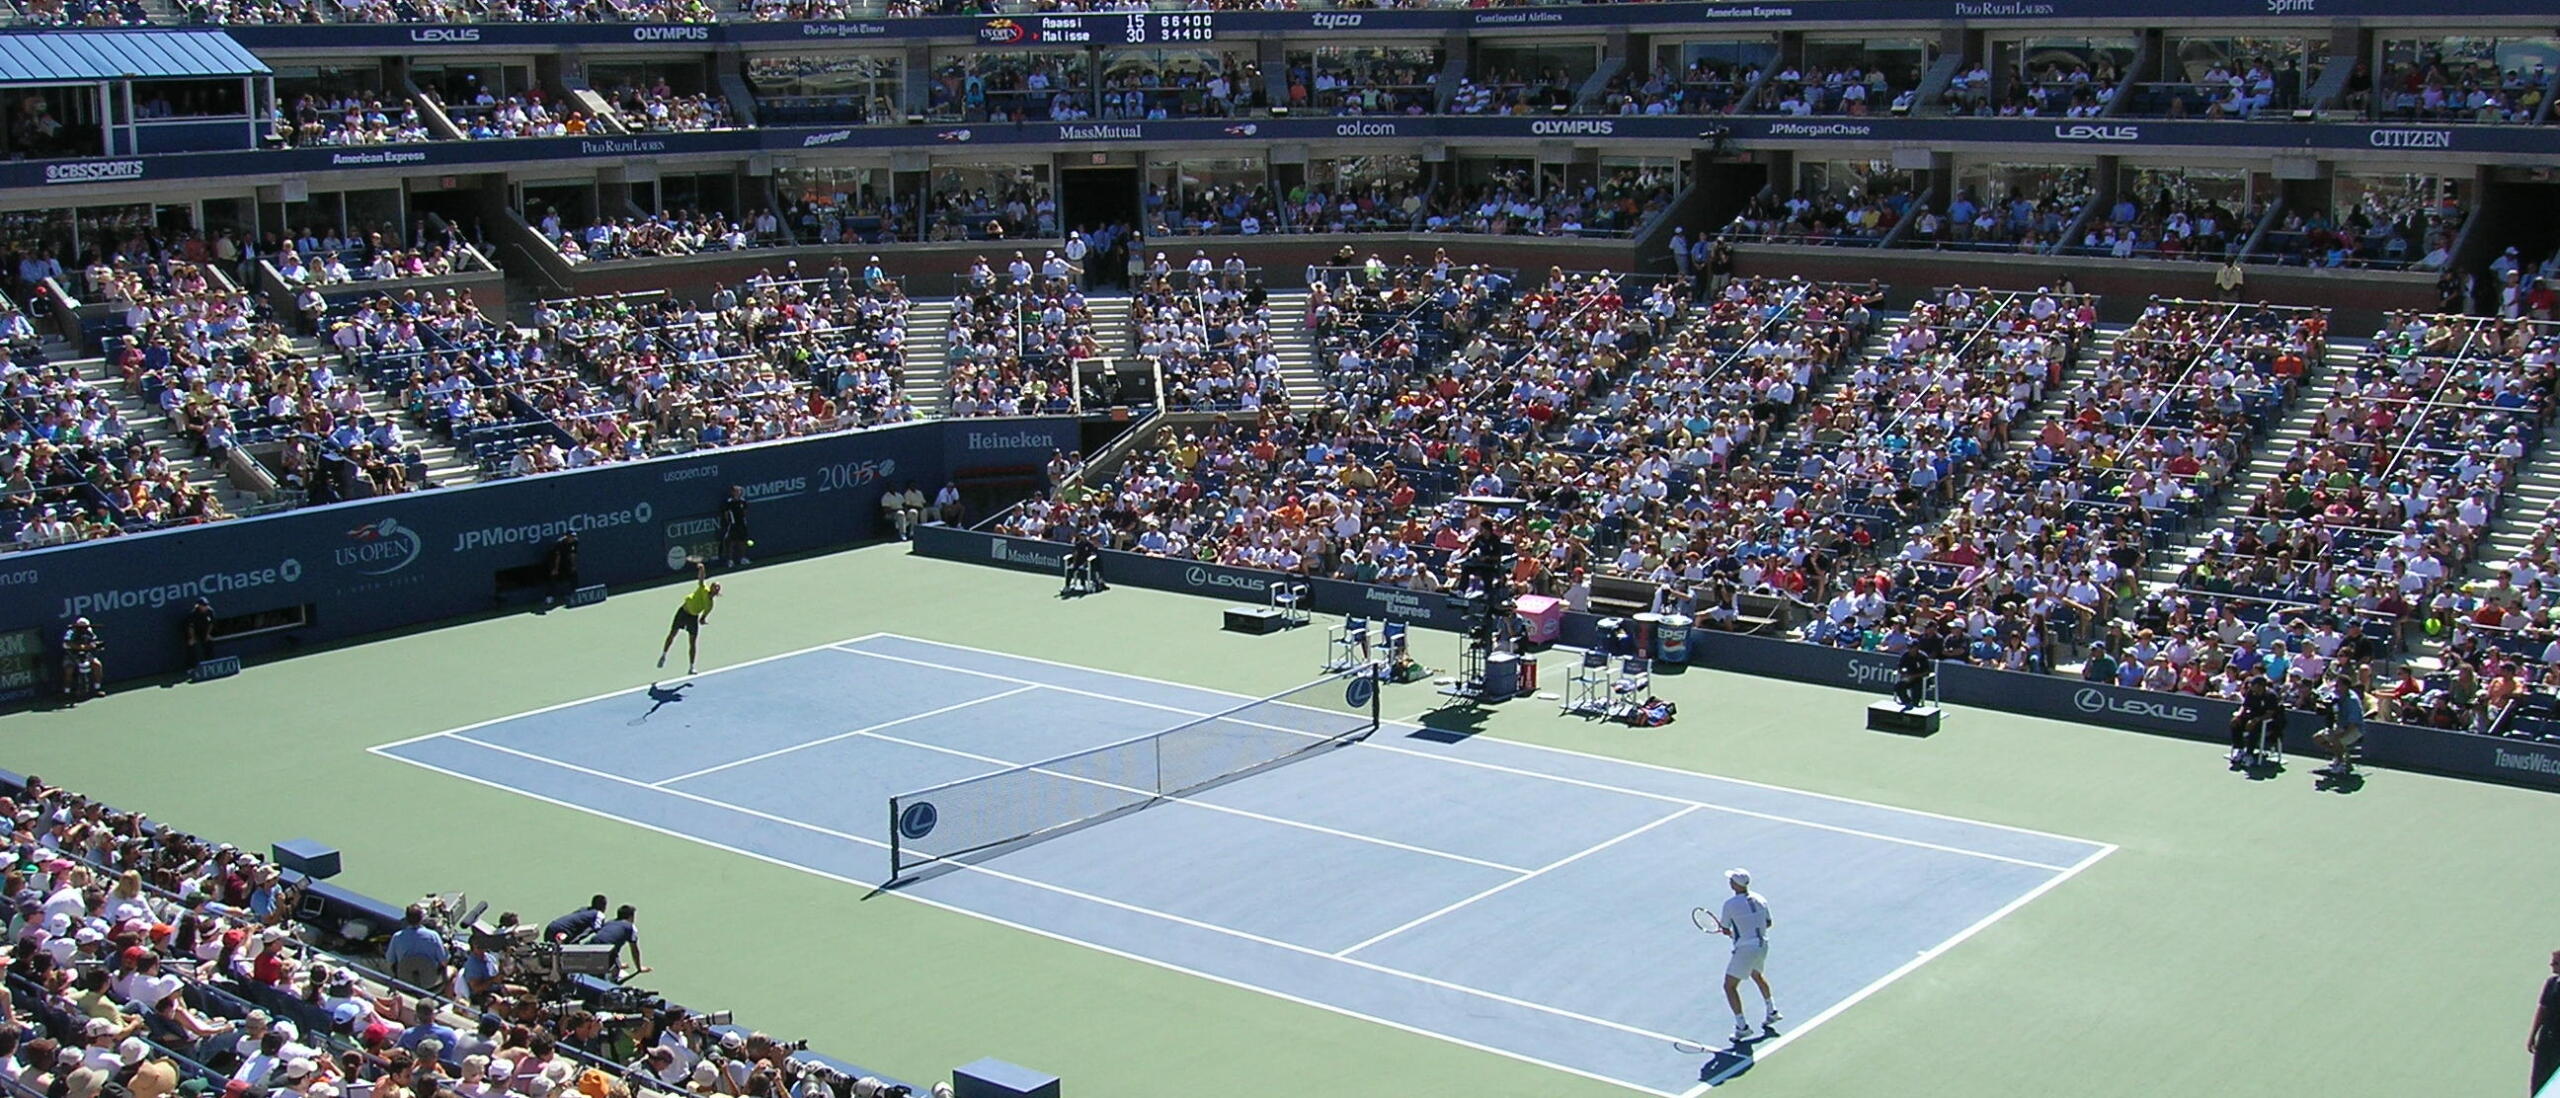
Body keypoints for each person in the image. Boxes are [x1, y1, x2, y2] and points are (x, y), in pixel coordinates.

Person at [1710, 868, 1778, 1044]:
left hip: (1746, 949)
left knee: (1729, 986)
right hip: (1762, 945)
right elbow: (1768, 923)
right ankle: (1772, 1011)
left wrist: (1736, 933)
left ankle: (1742, 1027)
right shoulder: (1760, 899)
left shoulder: (1730, 904)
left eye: (1731, 880)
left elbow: (1725, 928)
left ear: (1735, 884)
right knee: (1757, 974)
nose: (1729, 882)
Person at [657, 562, 720, 675]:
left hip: (693, 618)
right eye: (714, 586)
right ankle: (663, 656)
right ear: (711, 588)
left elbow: (702, 618)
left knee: (692, 642)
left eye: (717, 588)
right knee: (672, 634)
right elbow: (701, 578)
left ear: (717, 592)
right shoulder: (703, 589)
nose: (715, 589)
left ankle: (691, 667)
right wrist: (702, 569)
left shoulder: (710, 605)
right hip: (683, 612)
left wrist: (703, 620)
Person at [2313, 673, 2365, 777]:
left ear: (2345, 686)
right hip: (2340, 726)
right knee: (2317, 738)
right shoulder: (2336, 694)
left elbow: (2354, 723)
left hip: (2355, 729)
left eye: (2338, 685)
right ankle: (2341, 756)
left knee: (2336, 739)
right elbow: (2325, 701)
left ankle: (2341, 764)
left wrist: (2341, 734)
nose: (2336, 687)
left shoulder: (2352, 700)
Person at [590, 905, 649, 980]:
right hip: (606, 953)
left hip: (590, 948)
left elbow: (604, 938)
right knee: (622, 975)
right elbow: (634, 951)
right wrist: (639, 968)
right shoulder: (631, 927)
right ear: (631, 917)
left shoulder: (609, 923)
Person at [2533, 949, 2560, 1094]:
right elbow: (2542, 1009)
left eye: (2555, 963)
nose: (2551, 965)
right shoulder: (2551, 983)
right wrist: (2533, 1034)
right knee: (2540, 1075)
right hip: (2547, 1035)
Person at [61, 617, 103, 702]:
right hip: (71, 655)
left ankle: (97, 689)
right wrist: (81, 647)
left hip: (87, 655)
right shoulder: (70, 632)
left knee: (97, 665)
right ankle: (66, 692)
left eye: (85, 627)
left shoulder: (89, 632)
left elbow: (94, 642)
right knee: (69, 670)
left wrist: (95, 645)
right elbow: (67, 643)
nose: (84, 629)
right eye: (81, 627)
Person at [544, 896, 608, 943]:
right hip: (562, 931)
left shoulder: (583, 910)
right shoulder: (599, 914)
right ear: (603, 906)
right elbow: (597, 931)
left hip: (551, 927)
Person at [716, 486, 751, 569]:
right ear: (732, 492)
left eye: (739, 491)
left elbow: (745, 512)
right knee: (731, 542)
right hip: (733, 525)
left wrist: (743, 521)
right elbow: (726, 514)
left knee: (742, 541)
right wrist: (730, 522)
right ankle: (730, 561)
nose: (739, 492)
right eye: (736, 491)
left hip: (742, 525)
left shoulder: (743, 501)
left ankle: (742, 558)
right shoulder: (729, 502)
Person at [543, 532, 580, 606]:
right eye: (571, 536)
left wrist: (573, 565)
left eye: (574, 536)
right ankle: (549, 597)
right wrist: (555, 569)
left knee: (573, 575)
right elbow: (557, 557)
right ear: (567, 536)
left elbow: (573, 554)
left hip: (565, 560)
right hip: (553, 560)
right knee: (553, 577)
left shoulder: (575, 542)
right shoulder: (559, 543)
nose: (573, 538)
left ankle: (571, 594)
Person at [1894, 642, 1934, 708]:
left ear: (1916, 648)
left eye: (1911, 647)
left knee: (1916, 688)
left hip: (1921, 679)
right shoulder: (1905, 655)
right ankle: (1906, 701)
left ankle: (1915, 704)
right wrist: (1904, 674)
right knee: (1899, 686)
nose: (1909, 649)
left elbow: (1926, 672)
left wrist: (1913, 676)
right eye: (1908, 647)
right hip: (1909, 678)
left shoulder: (1923, 657)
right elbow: (1899, 667)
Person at [183, 598, 216, 666]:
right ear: (199, 606)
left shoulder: (210, 611)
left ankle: (211, 664)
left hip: (204, 632)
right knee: (192, 645)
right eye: (204, 605)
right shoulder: (193, 614)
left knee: (209, 642)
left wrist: (207, 634)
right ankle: (193, 667)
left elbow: (211, 624)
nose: (206, 607)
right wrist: (192, 638)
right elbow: (191, 627)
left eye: (206, 605)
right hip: (193, 632)